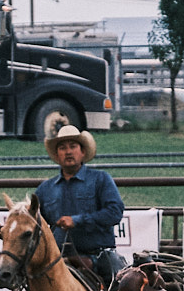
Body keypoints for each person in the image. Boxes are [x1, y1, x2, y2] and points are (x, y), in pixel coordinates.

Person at [35, 114, 124, 281]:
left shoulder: (100, 179)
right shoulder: (45, 189)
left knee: (121, 288)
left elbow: (115, 212)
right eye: (62, 148)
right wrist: (3, 231)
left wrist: (78, 220)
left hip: (98, 257)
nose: (68, 151)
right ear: (57, 155)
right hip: (58, 261)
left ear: (82, 152)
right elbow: (32, 222)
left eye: (73, 146)